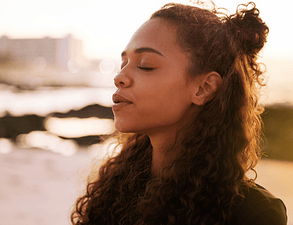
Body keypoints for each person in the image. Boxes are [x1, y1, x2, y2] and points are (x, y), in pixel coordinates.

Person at [71, 2, 288, 225]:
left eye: (145, 65)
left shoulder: (254, 214)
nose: (119, 77)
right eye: (123, 63)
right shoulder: (115, 190)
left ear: (203, 87)